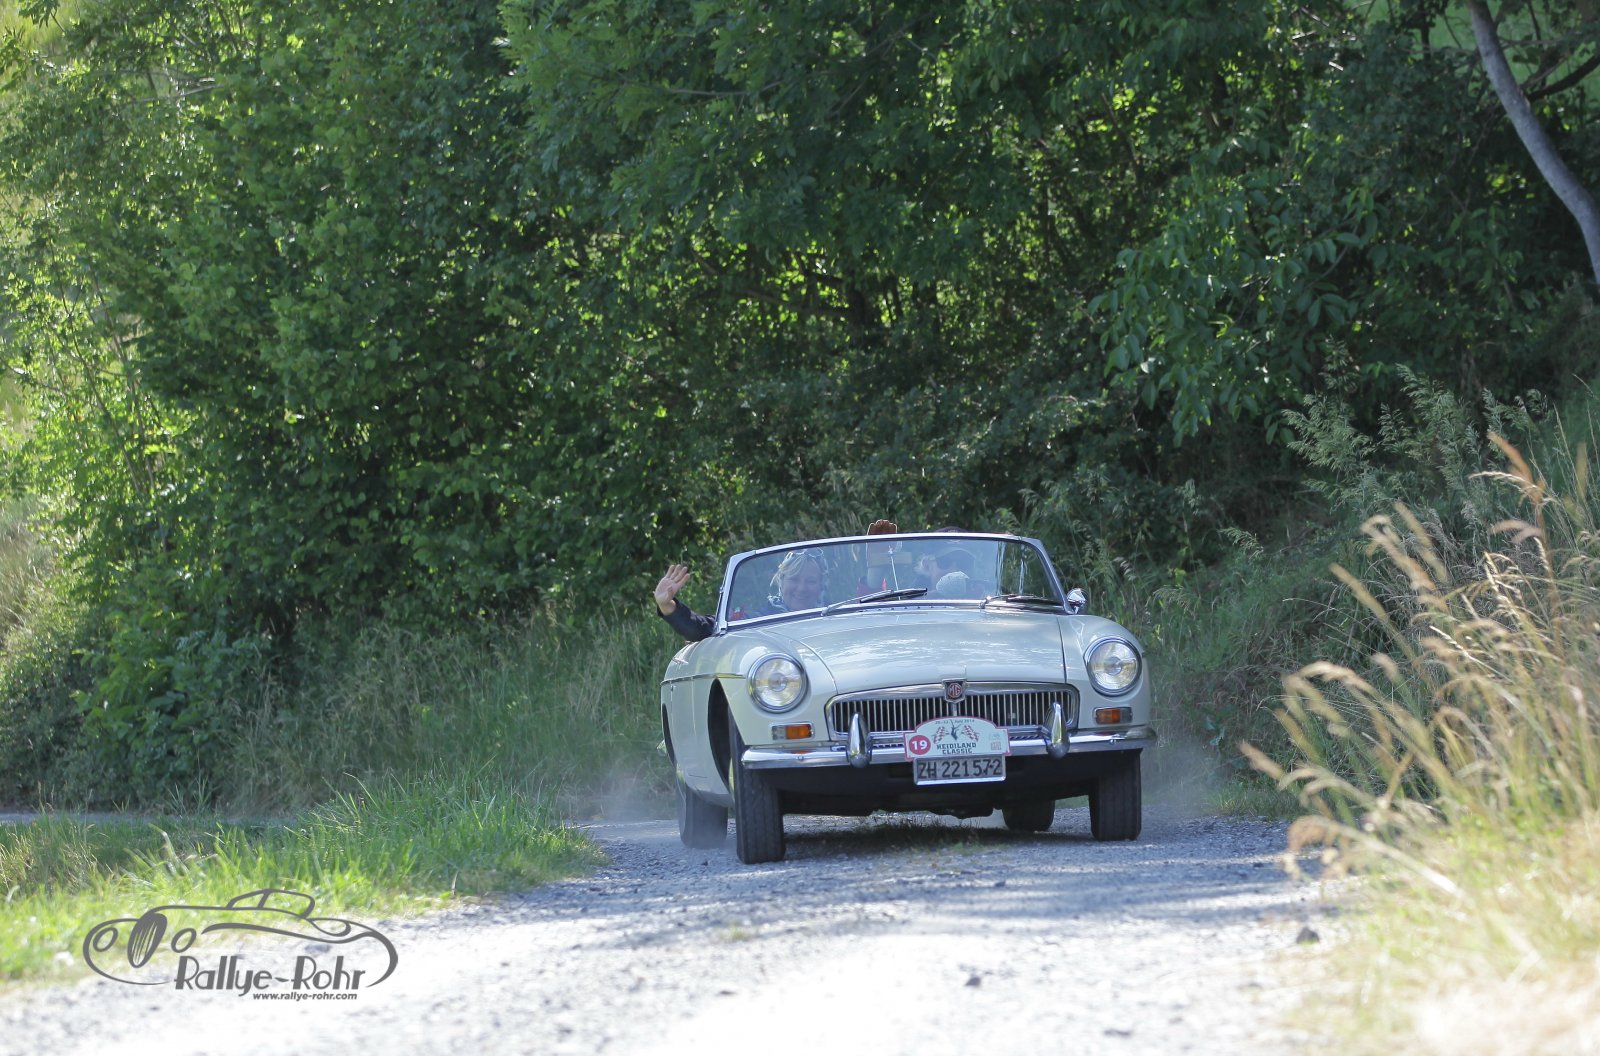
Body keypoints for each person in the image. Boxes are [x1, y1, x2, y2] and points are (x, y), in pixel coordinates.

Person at [653, 548, 830, 643]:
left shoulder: (834, 616)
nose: (801, 588)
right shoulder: (758, 619)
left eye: (811, 581)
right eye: (794, 579)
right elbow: (704, 629)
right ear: (781, 582)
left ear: (821, 585)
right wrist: (667, 605)